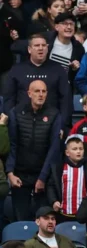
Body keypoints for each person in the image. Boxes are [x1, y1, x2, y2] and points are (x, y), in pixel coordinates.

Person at [7, 80, 61, 221]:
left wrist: (42, 178)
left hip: (43, 176)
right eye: (37, 91)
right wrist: (10, 173)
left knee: (43, 221)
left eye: (44, 91)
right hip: (20, 175)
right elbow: (12, 144)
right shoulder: (16, 112)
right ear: (29, 93)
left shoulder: (54, 114)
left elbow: (54, 149)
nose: (41, 94)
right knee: (21, 220)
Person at [46, 135, 87, 224]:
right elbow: (51, 186)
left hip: (83, 216)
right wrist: (54, 201)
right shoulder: (59, 168)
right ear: (67, 152)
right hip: (63, 215)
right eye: (75, 149)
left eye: (81, 149)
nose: (78, 151)